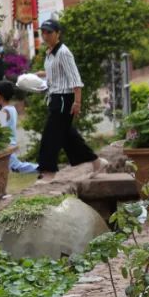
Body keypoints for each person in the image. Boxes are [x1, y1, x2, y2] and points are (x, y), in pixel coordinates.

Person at [35, 19, 105, 180]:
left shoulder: (63, 52)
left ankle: (48, 172)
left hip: (64, 99)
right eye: (43, 32)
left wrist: (77, 102)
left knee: (51, 134)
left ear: (58, 34)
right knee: (67, 135)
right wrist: (42, 74)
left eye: (49, 32)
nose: (45, 36)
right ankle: (96, 162)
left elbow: (75, 78)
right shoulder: (50, 52)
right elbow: (58, 73)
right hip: (55, 97)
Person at [0, 79, 37, 174]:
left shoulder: (5, 111)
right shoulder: (11, 108)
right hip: (9, 143)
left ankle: (42, 168)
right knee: (13, 167)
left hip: (7, 145)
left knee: (16, 167)